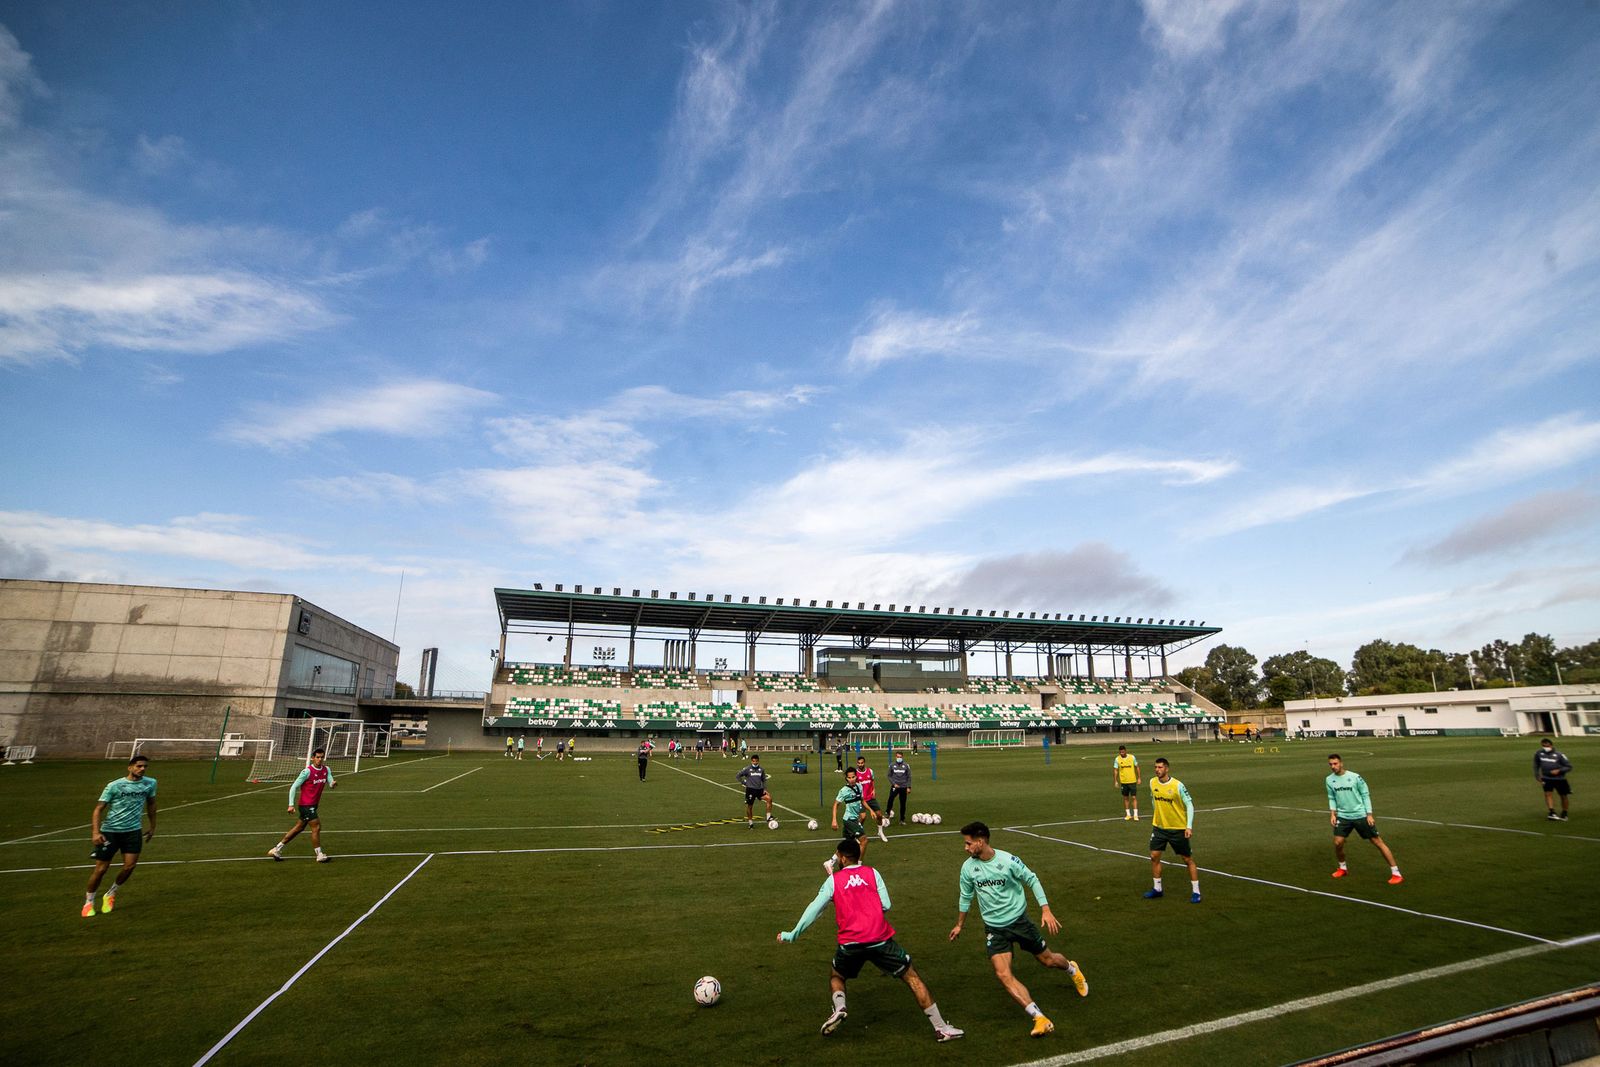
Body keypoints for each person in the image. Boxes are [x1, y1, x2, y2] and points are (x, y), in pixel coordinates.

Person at [777, 837, 964, 1042]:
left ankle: (839, 1008)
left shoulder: (834, 880)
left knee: (837, 976)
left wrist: (792, 934)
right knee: (912, 978)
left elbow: (814, 909)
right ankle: (941, 1028)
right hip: (880, 940)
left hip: (850, 944)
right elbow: (886, 904)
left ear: (842, 857)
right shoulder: (873, 873)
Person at [948, 821, 1086, 1037]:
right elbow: (966, 896)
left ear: (980, 842)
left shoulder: (1008, 860)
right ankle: (1039, 1017)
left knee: (1048, 960)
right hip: (995, 928)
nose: (965, 848)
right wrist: (959, 924)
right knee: (1003, 974)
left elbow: (1032, 879)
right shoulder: (968, 868)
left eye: (968, 843)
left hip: (1020, 923)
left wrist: (1046, 909)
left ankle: (1071, 969)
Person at [83, 754, 158, 917]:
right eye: (139, 766)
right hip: (110, 831)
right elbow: (98, 809)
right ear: (130, 767)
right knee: (101, 869)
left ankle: (110, 893)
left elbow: (151, 804)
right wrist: (96, 832)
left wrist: (152, 826)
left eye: (145, 766)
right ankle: (89, 902)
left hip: (133, 831)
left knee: (129, 866)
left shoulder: (150, 783)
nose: (142, 769)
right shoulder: (114, 785)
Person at [1326, 754, 1402, 884]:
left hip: (1360, 815)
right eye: (1331, 764)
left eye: (1335, 763)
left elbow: (1365, 795)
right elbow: (1331, 797)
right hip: (1343, 816)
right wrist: (1333, 813)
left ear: (1341, 763)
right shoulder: (1329, 779)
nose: (1333, 766)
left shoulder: (1355, 777)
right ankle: (1342, 868)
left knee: (1377, 842)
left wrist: (1369, 814)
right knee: (1338, 842)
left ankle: (1396, 873)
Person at [1144, 757, 1201, 902]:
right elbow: (1153, 800)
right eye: (1156, 767)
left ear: (1167, 769)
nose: (1157, 770)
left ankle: (1196, 892)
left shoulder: (1177, 786)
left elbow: (1189, 805)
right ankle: (1157, 889)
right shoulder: (1152, 782)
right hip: (1159, 828)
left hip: (1177, 829)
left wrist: (1188, 826)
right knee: (1154, 856)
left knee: (1187, 859)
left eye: (1160, 767)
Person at [269, 747, 337, 863]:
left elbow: (330, 782)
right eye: (317, 757)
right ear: (312, 758)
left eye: (322, 757)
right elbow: (293, 787)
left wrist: (332, 783)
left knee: (298, 828)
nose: (320, 759)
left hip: (313, 805)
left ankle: (276, 849)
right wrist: (291, 804)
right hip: (306, 805)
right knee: (316, 827)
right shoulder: (307, 772)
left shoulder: (326, 770)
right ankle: (319, 854)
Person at [829, 768, 871, 870]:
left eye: (853, 777)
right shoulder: (844, 790)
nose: (851, 779)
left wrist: (871, 810)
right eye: (849, 777)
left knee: (848, 844)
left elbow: (862, 800)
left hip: (854, 819)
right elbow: (835, 805)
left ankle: (831, 861)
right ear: (846, 778)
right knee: (864, 841)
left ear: (856, 776)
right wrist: (834, 820)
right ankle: (858, 865)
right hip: (849, 820)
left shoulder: (859, 786)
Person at [1534, 738, 1573, 820]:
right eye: (1543, 746)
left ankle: (1564, 812)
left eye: (1547, 745)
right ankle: (1552, 812)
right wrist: (1537, 775)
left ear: (1551, 745)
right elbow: (1536, 764)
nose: (1545, 747)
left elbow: (1569, 767)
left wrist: (1559, 770)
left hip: (1560, 779)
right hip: (1546, 778)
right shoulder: (1539, 753)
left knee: (1563, 796)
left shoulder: (1559, 755)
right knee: (1548, 794)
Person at [855, 755, 890, 842]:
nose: (860, 764)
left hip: (871, 798)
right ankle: (857, 834)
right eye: (859, 763)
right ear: (857, 763)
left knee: (879, 815)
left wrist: (873, 790)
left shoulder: (870, 771)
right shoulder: (855, 774)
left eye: (862, 763)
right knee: (863, 817)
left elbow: (872, 781)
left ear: (864, 763)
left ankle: (880, 832)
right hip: (861, 800)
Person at [738, 753, 774, 827]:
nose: (755, 763)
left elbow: (763, 780)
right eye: (754, 761)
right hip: (750, 790)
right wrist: (743, 782)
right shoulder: (747, 769)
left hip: (759, 790)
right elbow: (738, 776)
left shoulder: (761, 770)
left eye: (756, 761)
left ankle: (768, 817)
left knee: (769, 799)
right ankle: (750, 822)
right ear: (751, 761)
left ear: (758, 761)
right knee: (750, 807)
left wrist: (765, 789)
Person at [1112, 745, 1141, 821]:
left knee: (1134, 797)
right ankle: (1128, 814)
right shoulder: (1117, 759)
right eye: (1120, 752)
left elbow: (1137, 767)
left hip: (1132, 781)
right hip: (1124, 782)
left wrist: (1139, 778)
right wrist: (1115, 781)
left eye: (1123, 751)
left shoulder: (1132, 757)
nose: (1122, 753)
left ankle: (1135, 815)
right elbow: (1115, 770)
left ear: (1125, 751)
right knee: (1125, 798)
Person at [887, 751, 912, 824]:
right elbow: (889, 775)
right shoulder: (892, 765)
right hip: (895, 786)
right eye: (898, 757)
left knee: (903, 803)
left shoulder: (906, 765)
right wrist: (894, 784)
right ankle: (887, 812)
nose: (899, 758)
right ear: (895, 757)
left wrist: (909, 787)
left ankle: (902, 819)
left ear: (902, 757)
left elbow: (909, 777)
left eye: (900, 757)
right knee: (890, 799)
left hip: (903, 787)